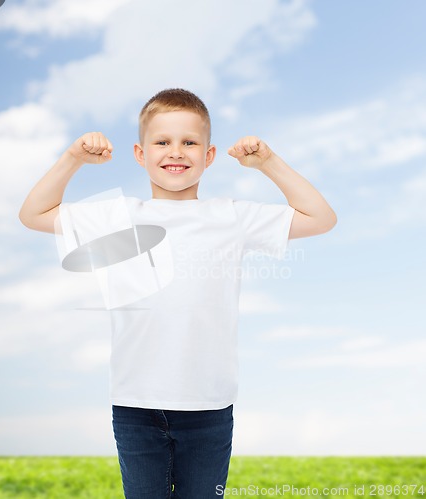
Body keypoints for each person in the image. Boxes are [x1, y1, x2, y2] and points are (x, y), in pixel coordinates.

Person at [19, 88, 337, 498]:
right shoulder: (118, 217)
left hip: (209, 407)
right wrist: (73, 159)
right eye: (162, 142)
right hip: (136, 405)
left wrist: (268, 164)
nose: (177, 152)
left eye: (190, 142)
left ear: (208, 155)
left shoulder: (230, 216)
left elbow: (321, 218)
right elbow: (34, 214)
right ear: (140, 153)